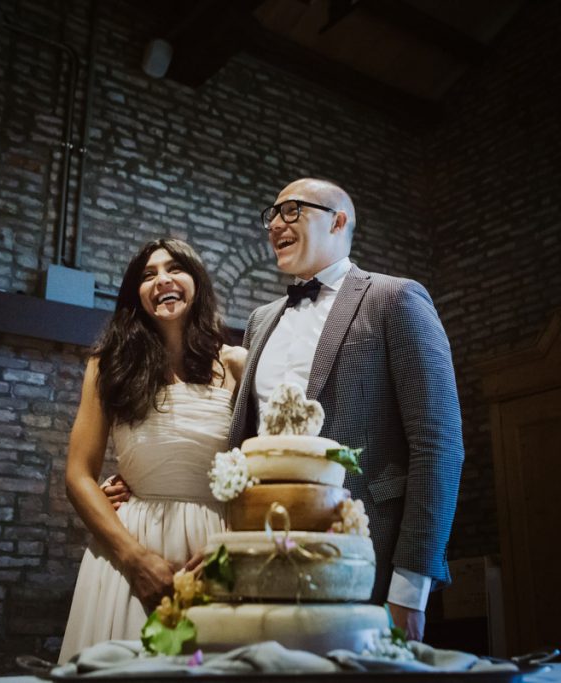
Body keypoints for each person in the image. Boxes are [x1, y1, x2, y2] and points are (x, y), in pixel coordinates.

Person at [226, 178, 464, 642]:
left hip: (366, 557)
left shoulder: (394, 298)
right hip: (264, 555)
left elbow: (438, 444)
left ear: (339, 221)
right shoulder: (259, 322)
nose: (276, 222)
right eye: (271, 214)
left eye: (292, 210)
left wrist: (410, 588)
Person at [58, 238, 245, 662]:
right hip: (131, 550)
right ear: (136, 295)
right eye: (147, 275)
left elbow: (262, 471)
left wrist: (235, 545)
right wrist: (136, 559)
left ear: (197, 282)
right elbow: (77, 475)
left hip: (216, 549)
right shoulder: (108, 364)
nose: (162, 280)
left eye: (174, 268)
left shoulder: (235, 364)